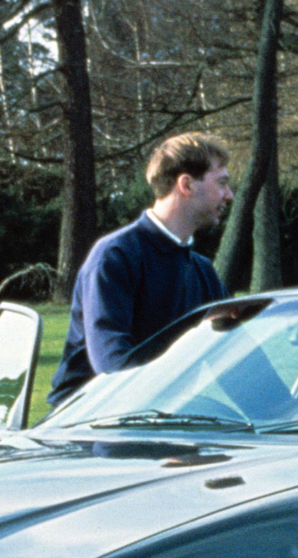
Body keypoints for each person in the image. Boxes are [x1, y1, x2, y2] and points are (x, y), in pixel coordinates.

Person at [48, 132, 236, 405]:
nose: (229, 195)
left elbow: (233, 359)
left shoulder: (202, 271)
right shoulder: (115, 256)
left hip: (156, 417)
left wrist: (290, 408)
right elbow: (113, 367)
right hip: (86, 427)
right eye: (222, 183)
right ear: (186, 184)